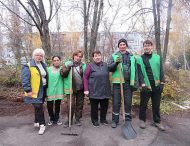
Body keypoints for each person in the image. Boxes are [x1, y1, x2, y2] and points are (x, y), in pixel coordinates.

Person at [108, 38, 138, 128]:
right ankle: (115, 120)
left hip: (128, 83)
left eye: (123, 44)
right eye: (120, 45)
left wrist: (136, 83)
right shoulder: (114, 56)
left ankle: (127, 119)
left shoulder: (132, 56)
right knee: (116, 102)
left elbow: (135, 70)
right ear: (118, 46)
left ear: (126, 46)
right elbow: (109, 68)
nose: (122, 46)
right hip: (117, 83)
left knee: (128, 102)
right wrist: (116, 63)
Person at [137, 40, 165, 131]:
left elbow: (161, 70)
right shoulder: (140, 59)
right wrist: (142, 84)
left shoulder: (157, 57)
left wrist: (162, 82)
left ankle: (157, 121)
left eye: (148, 45)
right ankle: (142, 120)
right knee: (143, 104)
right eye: (145, 45)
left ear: (152, 47)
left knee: (156, 105)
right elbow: (139, 73)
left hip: (156, 85)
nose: (146, 47)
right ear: (143, 47)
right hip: (146, 85)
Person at [21, 48, 47, 135]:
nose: (39, 57)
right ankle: (42, 125)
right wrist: (28, 90)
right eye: (37, 55)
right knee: (39, 107)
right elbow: (25, 79)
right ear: (34, 56)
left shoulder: (43, 65)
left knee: (38, 106)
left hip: (43, 89)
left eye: (41, 55)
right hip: (34, 91)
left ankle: (36, 121)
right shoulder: (28, 66)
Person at [83, 51, 111, 127]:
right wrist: (86, 89)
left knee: (104, 105)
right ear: (93, 58)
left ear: (101, 56)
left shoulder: (105, 65)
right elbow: (85, 77)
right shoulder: (90, 66)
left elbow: (112, 71)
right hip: (94, 89)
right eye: (95, 56)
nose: (97, 57)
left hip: (105, 89)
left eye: (99, 55)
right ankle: (94, 120)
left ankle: (103, 119)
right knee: (94, 107)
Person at [60, 49, 86, 127]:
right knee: (71, 105)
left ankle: (77, 119)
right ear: (73, 56)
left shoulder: (83, 65)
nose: (78, 57)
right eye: (76, 56)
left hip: (80, 88)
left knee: (79, 104)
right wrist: (68, 68)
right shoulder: (67, 63)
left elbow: (86, 76)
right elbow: (62, 74)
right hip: (70, 88)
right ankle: (69, 120)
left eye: (80, 56)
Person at [46, 56, 64, 126]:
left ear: (60, 61)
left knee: (57, 105)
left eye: (57, 60)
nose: (56, 62)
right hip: (50, 90)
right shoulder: (48, 69)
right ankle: (51, 118)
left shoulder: (62, 69)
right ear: (52, 61)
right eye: (54, 60)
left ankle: (57, 118)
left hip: (59, 90)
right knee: (49, 106)